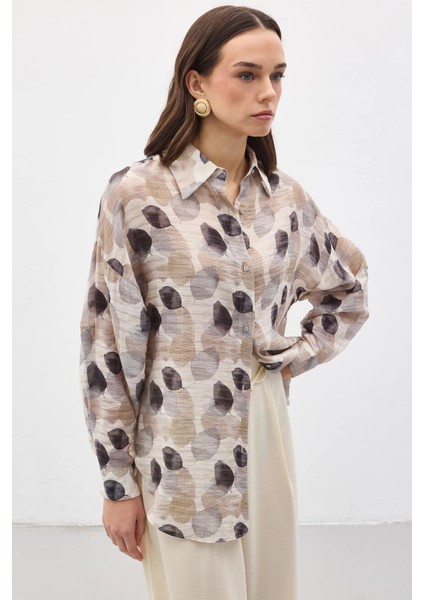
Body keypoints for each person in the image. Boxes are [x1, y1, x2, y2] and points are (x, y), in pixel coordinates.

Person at [79, 5, 369, 599]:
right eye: (247, 74)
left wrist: (290, 357)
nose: (269, 92)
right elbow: (108, 347)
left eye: (277, 75)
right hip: (178, 440)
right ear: (197, 83)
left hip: (265, 427)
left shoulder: (284, 198)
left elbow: (348, 289)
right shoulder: (138, 196)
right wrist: (118, 483)